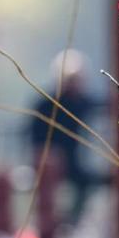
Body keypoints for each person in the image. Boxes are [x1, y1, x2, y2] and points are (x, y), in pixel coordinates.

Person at [29, 50, 97, 224]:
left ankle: (78, 222)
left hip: (85, 164)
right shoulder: (45, 106)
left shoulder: (89, 104)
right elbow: (35, 140)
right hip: (55, 166)